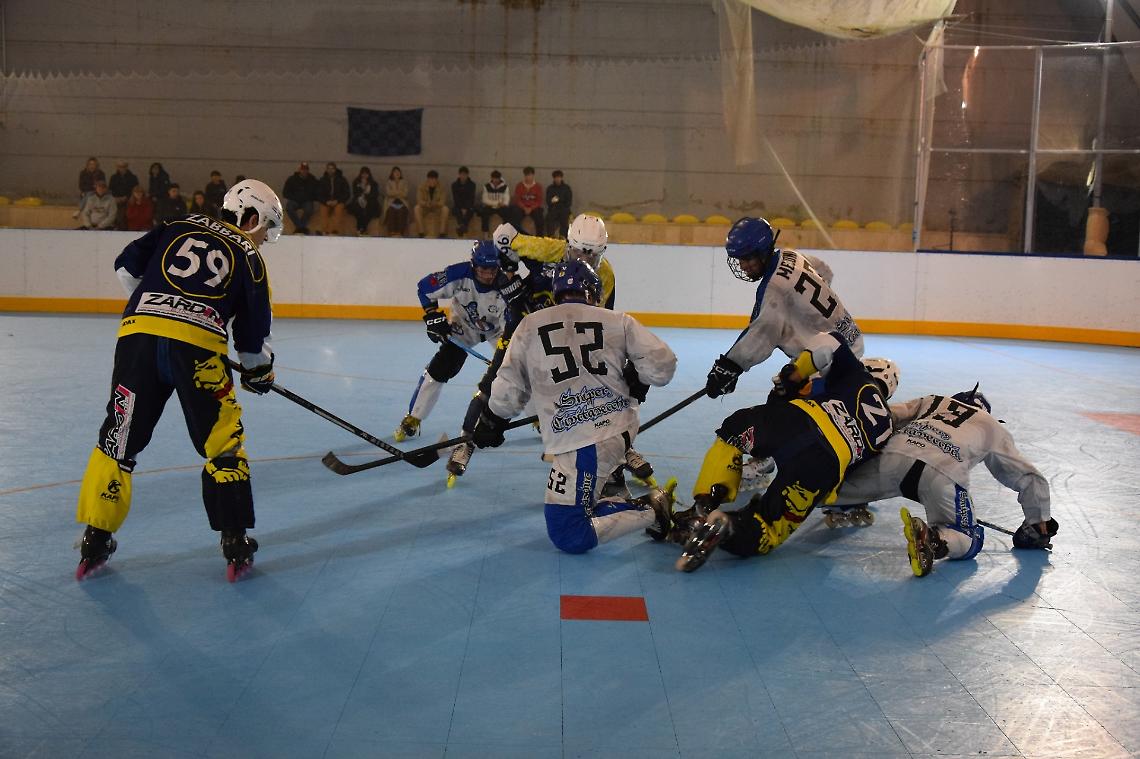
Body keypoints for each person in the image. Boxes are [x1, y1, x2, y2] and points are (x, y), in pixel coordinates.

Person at [73, 179, 284, 582]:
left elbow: (125, 266)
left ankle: (95, 537)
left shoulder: (177, 224)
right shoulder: (249, 257)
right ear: (251, 217)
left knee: (119, 435)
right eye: (265, 229)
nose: (263, 239)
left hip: (138, 337)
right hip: (198, 349)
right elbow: (253, 334)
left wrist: (158, 307)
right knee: (222, 441)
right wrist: (259, 371)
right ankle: (234, 540)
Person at [472, 260, 678, 554]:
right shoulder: (617, 320)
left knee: (569, 533)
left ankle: (654, 508)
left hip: (586, 440)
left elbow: (510, 387)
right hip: (609, 429)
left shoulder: (529, 325)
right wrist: (639, 377)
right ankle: (620, 502)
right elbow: (663, 365)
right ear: (593, 293)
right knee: (567, 512)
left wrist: (492, 420)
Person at [675, 332, 899, 572]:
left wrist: (796, 373)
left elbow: (829, 340)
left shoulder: (856, 376)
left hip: (795, 420)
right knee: (768, 529)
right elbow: (859, 478)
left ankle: (706, 503)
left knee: (732, 433)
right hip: (824, 463)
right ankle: (727, 527)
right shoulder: (887, 427)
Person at [446, 213, 627, 483]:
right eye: (578, 252)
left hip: (561, 337)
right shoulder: (549, 251)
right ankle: (465, 442)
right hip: (523, 326)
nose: (584, 261)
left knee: (587, 389)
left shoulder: (606, 275)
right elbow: (503, 235)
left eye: (592, 255)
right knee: (493, 383)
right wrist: (508, 279)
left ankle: (611, 448)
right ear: (568, 245)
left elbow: (600, 321)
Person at [829, 387, 1055, 577]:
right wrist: (1038, 524)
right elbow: (1029, 478)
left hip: (892, 457)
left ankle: (827, 498)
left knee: (829, 491)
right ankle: (933, 539)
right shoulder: (991, 426)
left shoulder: (935, 401)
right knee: (970, 538)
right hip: (942, 474)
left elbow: (884, 416)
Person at [704, 217, 862, 402]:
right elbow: (824, 271)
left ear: (763, 251)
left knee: (782, 408)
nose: (742, 266)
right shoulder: (791, 255)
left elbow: (763, 333)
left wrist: (730, 366)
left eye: (747, 258)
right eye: (739, 259)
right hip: (849, 339)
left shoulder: (774, 288)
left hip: (828, 362)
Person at [394, 241, 514, 442]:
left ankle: (536, 416)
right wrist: (432, 316)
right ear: (473, 265)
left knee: (517, 368)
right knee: (440, 368)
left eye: (492, 269)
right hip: (463, 327)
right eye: (483, 269)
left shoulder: (506, 286)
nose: (488, 275)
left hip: (498, 331)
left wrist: (506, 354)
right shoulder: (457, 274)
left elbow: (511, 324)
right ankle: (413, 417)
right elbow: (424, 288)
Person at [282, 162, 319, 234]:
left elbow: (316, 192)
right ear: (299, 170)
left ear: (308, 170)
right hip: (295, 200)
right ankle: (301, 227)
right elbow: (285, 192)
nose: (304, 171)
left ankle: (299, 228)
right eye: (302, 169)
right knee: (289, 208)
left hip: (307, 201)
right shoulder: (292, 179)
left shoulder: (312, 179)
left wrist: (310, 198)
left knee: (309, 209)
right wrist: (294, 197)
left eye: (306, 169)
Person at [316, 161, 350, 235]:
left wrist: (337, 201)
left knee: (338, 210)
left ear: (335, 169)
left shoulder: (342, 179)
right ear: (326, 169)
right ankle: (324, 230)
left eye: (332, 169)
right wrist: (326, 201)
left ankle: (334, 231)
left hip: (338, 201)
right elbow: (319, 194)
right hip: (326, 201)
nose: (330, 170)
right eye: (329, 168)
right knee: (323, 210)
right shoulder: (322, 180)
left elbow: (347, 193)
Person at [477, 169, 516, 235]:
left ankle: (506, 233)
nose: (495, 180)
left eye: (497, 179)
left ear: (499, 178)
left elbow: (506, 200)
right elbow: (484, 200)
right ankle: (485, 233)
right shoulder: (486, 186)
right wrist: (497, 203)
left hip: (501, 207)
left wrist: (502, 204)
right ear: (491, 178)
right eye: (494, 178)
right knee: (484, 213)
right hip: (490, 207)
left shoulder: (505, 187)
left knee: (507, 213)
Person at [414, 170, 451, 238]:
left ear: (437, 180)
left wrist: (436, 203)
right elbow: (419, 200)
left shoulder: (441, 187)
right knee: (417, 208)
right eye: (431, 179)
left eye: (434, 180)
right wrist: (426, 203)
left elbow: (443, 201)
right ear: (428, 179)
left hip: (437, 208)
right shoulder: (421, 187)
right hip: (425, 208)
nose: (432, 182)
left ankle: (442, 233)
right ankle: (421, 233)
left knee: (445, 209)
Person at [512, 166, 544, 235]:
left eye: (530, 175)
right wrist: (524, 207)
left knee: (539, 217)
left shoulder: (538, 186)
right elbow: (517, 199)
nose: (528, 177)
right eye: (527, 175)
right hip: (522, 207)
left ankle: (539, 236)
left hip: (534, 208)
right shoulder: (519, 186)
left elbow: (539, 201)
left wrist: (531, 208)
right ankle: (516, 235)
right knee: (515, 215)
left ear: (533, 176)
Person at [349, 166, 381, 235]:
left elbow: (375, 194)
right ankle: (359, 228)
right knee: (359, 210)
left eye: (366, 174)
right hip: (358, 201)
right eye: (363, 174)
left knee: (369, 211)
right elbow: (355, 193)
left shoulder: (373, 183)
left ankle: (363, 228)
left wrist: (366, 196)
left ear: (369, 174)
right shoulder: (356, 182)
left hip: (370, 202)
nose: (364, 175)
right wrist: (362, 189)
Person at [108, 161, 139, 230]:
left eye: (123, 167)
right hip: (116, 199)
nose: (122, 168)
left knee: (124, 211)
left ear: (127, 167)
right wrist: (116, 198)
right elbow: (110, 190)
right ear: (117, 167)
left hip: (129, 198)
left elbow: (136, 189)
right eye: (120, 167)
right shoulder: (113, 177)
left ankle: (123, 227)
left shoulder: (133, 177)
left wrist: (127, 197)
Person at [382, 166, 411, 237]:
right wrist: (399, 192)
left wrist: (395, 193)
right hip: (391, 202)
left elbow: (405, 193)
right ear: (392, 174)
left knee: (402, 212)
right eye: (395, 172)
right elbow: (389, 193)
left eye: (398, 172)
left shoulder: (404, 182)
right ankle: (392, 232)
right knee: (391, 211)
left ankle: (400, 232)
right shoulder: (389, 182)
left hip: (402, 202)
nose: (397, 173)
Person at [450, 166, 478, 236]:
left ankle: (461, 226)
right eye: (461, 174)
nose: (463, 176)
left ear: (467, 175)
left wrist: (466, 208)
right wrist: (461, 208)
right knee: (456, 210)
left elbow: (471, 198)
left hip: (468, 206)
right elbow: (456, 198)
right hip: (458, 206)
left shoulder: (472, 185)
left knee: (470, 210)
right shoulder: (454, 185)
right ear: (459, 175)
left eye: (465, 174)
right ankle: (463, 226)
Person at [545, 170, 573, 237]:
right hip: (553, 209)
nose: (557, 179)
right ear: (553, 178)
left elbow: (569, 202)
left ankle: (563, 237)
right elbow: (548, 201)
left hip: (564, 209)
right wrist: (552, 201)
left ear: (561, 178)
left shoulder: (566, 188)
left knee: (565, 219)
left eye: (559, 177)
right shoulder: (550, 188)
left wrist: (560, 200)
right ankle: (550, 236)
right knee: (549, 218)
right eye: (556, 177)